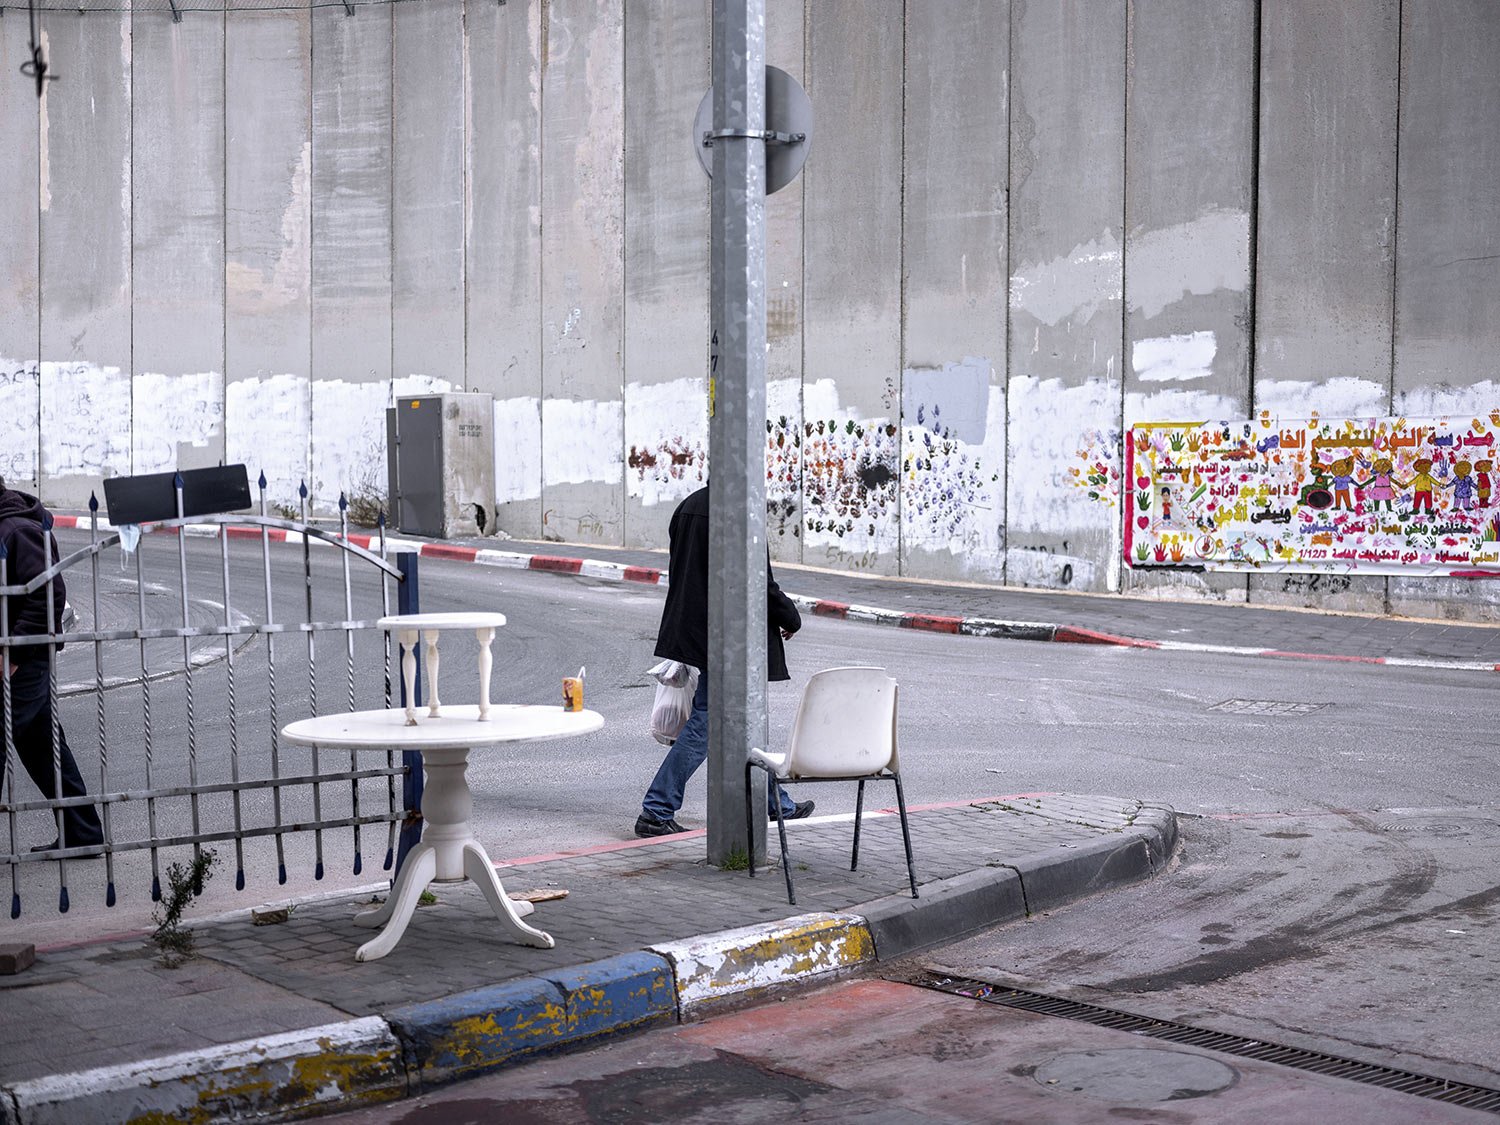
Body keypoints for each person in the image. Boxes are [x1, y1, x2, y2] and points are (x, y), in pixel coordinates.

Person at [636, 483, 813, 837]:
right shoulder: (737, 514)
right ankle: (656, 809)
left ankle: (776, 803)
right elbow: (758, 581)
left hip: (698, 631)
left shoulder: (688, 506)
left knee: (737, 723)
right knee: (709, 725)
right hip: (730, 638)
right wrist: (790, 617)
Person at [0, 476, 104, 852]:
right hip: (17, 658)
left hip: (19, 661)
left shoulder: (15, 529)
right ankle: (83, 834)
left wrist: (16, 652)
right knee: (44, 748)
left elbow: (48, 593)